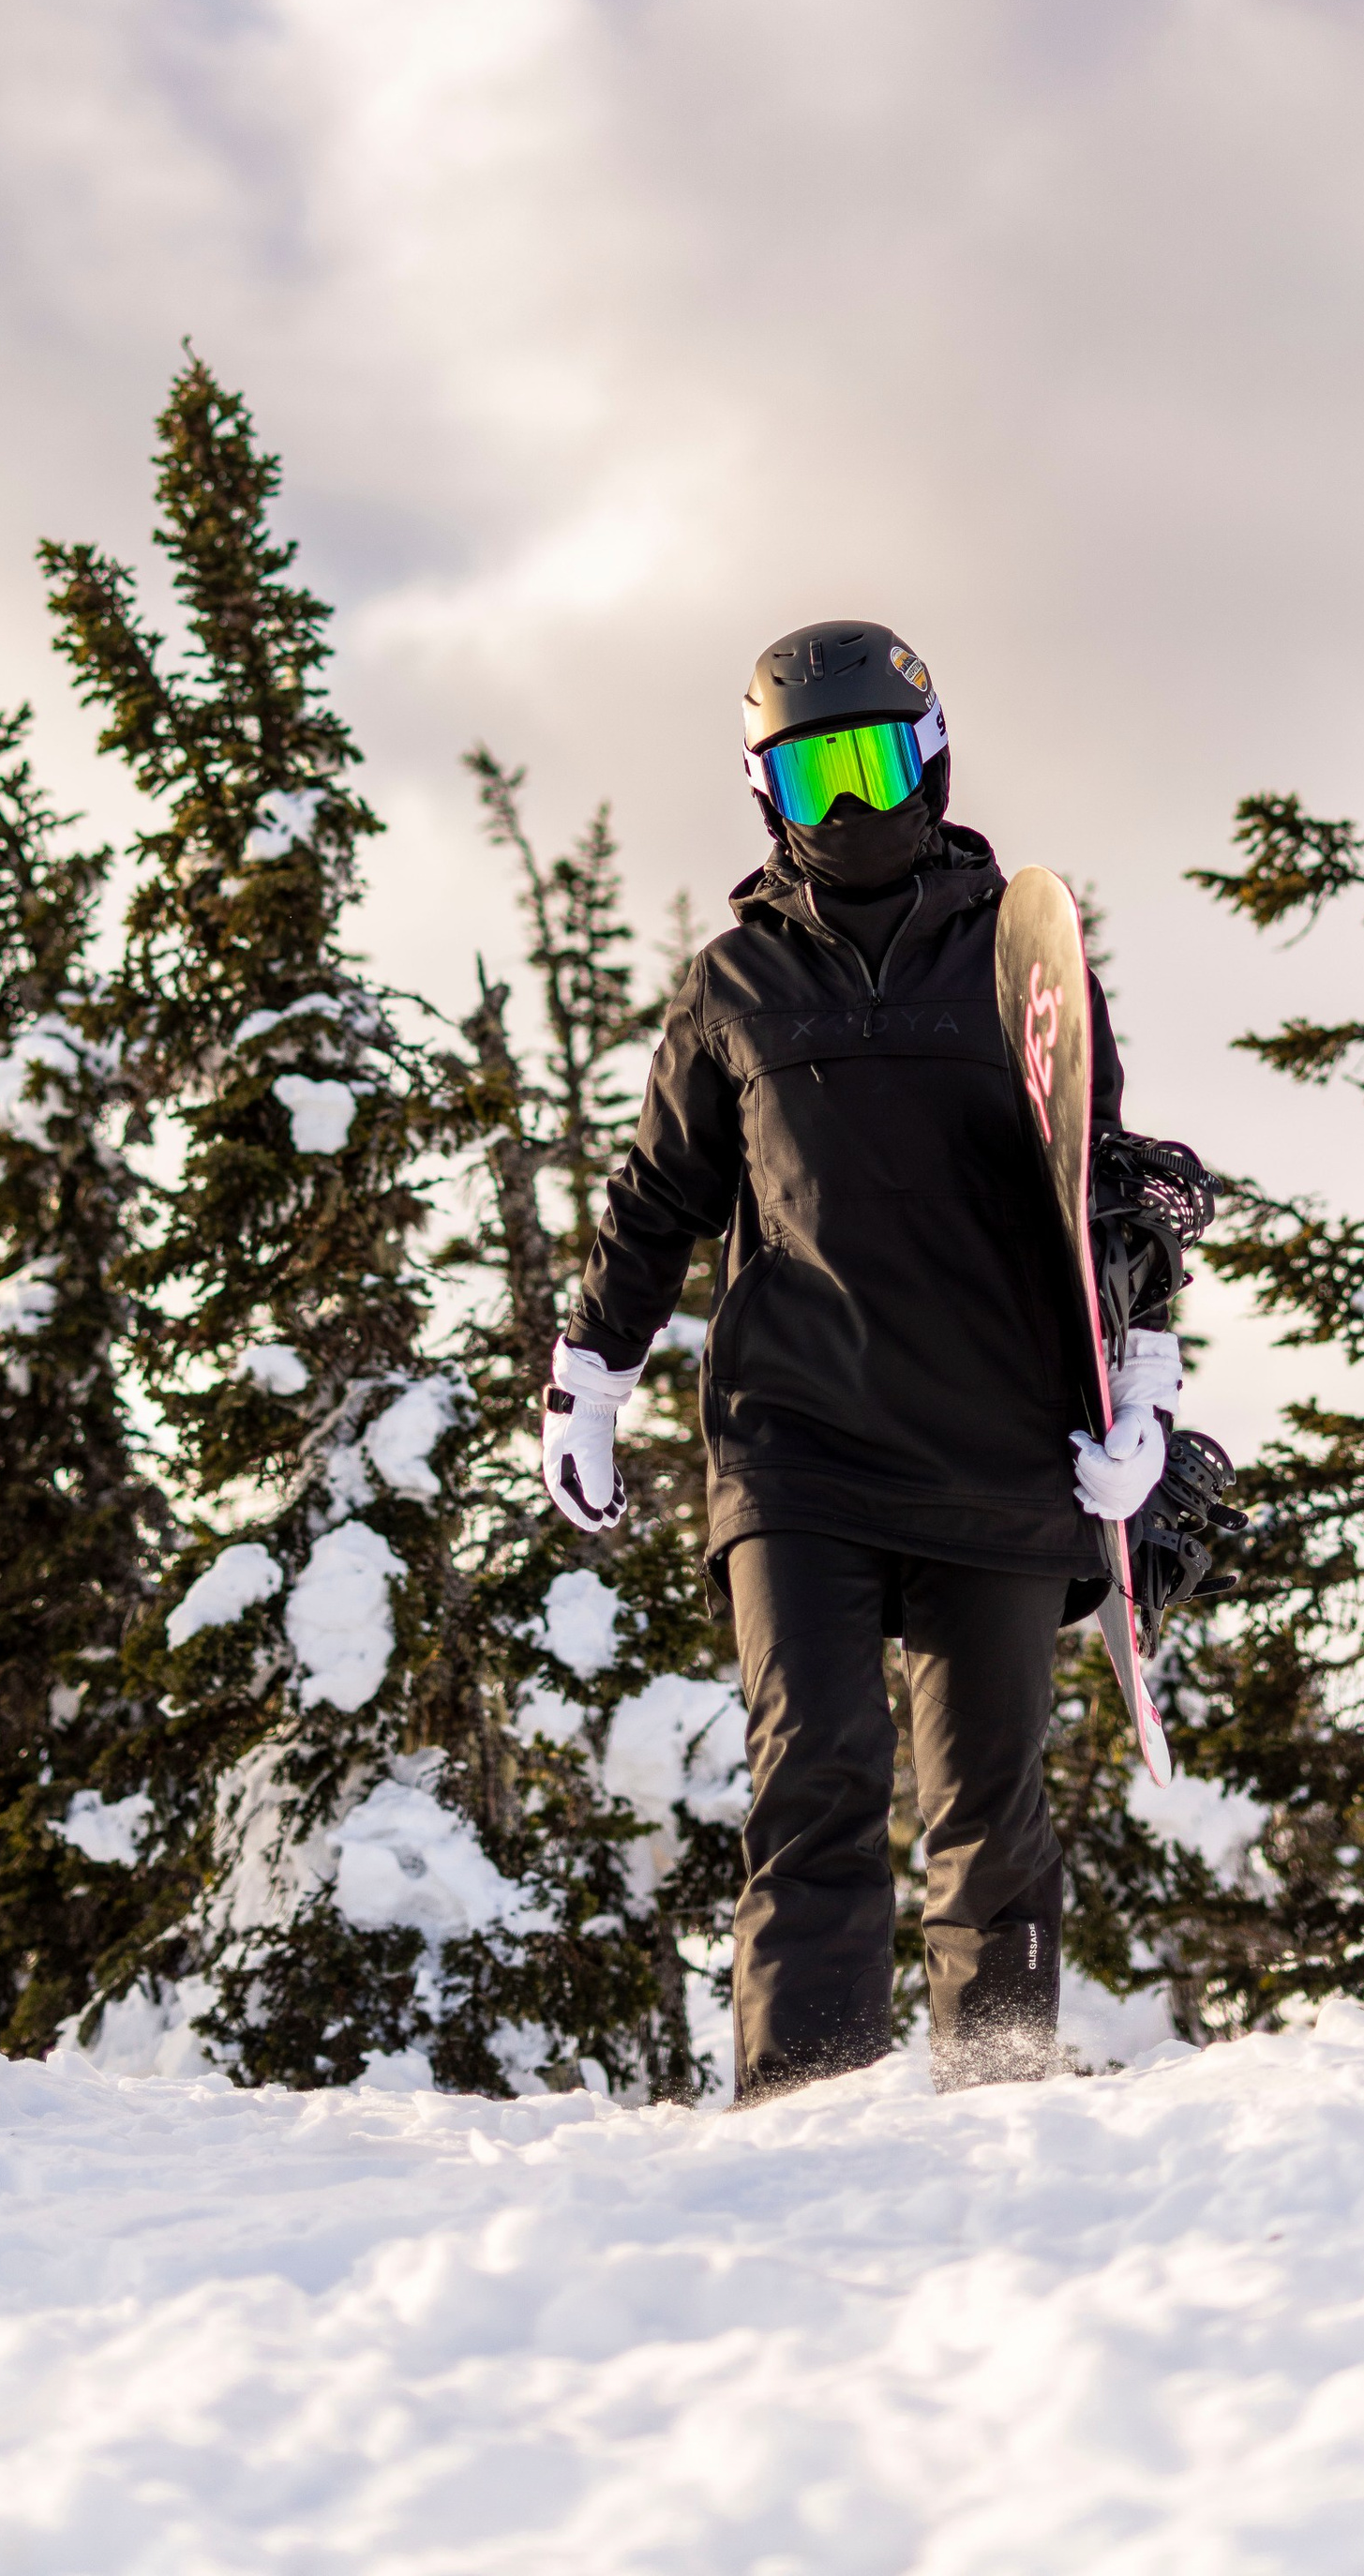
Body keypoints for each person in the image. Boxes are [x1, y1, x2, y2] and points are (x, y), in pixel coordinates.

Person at [540, 620, 1186, 2101]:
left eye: (876, 762)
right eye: (813, 773)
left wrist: (1141, 1385)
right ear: (767, 792)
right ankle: (806, 2112)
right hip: (799, 1442)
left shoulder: (1021, 963)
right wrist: (591, 1373)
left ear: (934, 756)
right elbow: (658, 1203)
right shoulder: (734, 984)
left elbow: (1113, 1185)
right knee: (814, 1777)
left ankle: (1000, 2090)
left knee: (987, 1807)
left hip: (1002, 1443)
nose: (851, 806)